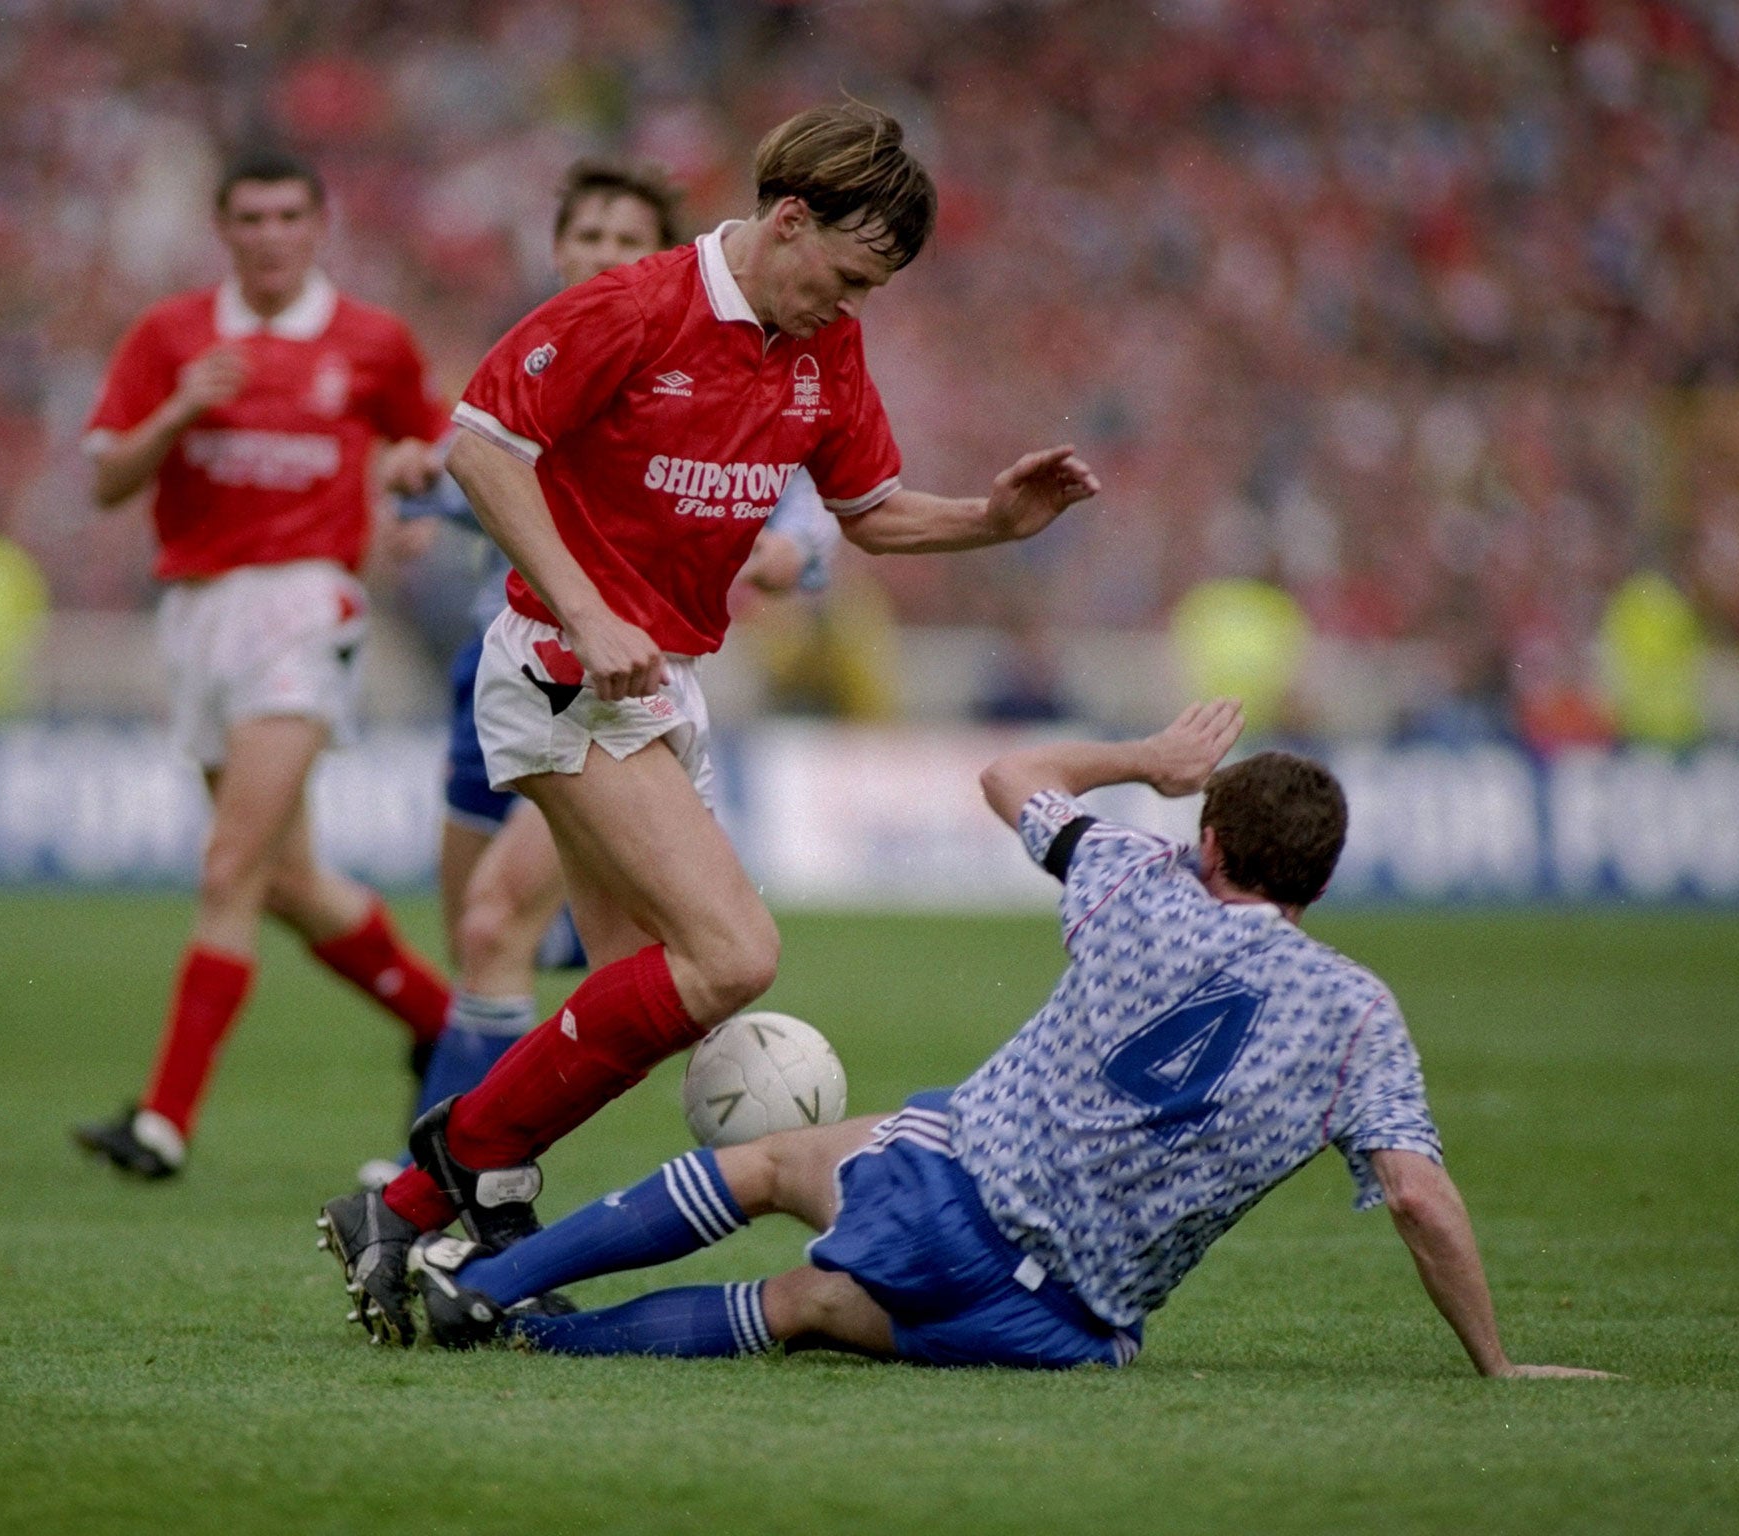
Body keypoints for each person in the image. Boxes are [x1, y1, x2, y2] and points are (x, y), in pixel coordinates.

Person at [318, 102, 1100, 1339]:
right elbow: (478, 444)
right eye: (843, 274)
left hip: (656, 686)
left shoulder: (823, 346)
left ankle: (419, 1201)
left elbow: (873, 511)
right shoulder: (633, 307)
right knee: (732, 956)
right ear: (788, 220)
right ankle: (464, 1169)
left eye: (872, 291)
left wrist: (991, 523)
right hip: (564, 676)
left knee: (646, 990)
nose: (850, 308)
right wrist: (584, 607)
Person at [386, 700, 1612, 1380]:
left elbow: (1009, 773)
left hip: (945, 1193)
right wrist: (1496, 1367)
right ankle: (536, 1342)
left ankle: (490, 1290)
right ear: (1321, 881)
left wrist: (1144, 762)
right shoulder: (1359, 1014)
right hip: (1063, 1325)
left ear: (1212, 844)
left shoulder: (1141, 878)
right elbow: (1417, 1197)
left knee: (769, 1167)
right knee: (805, 1306)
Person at [386, 161, 841, 1171]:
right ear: (558, 251)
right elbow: (469, 469)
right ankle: (464, 1156)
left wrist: (788, 553)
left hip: (598, 679)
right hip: (492, 666)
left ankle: (445, 1166)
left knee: (514, 923)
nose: (602, 256)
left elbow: (814, 510)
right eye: (584, 238)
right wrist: (406, 494)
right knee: (483, 931)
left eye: (625, 240)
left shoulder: (711, 359)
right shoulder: (540, 363)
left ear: (669, 257)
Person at [72, 147, 455, 1179]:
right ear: (223, 228)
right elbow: (108, 478)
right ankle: (444, 1023)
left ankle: (162, 1122)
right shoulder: (172, 336)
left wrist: (411, 504)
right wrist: (178, 411)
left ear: (319, 223)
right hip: (196, 612)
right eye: (250, 217)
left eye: (290, 215)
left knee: (229, 867)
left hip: (304, 603)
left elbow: (429, 446)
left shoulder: (372, 341)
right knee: (288, 881)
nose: (271, 234)